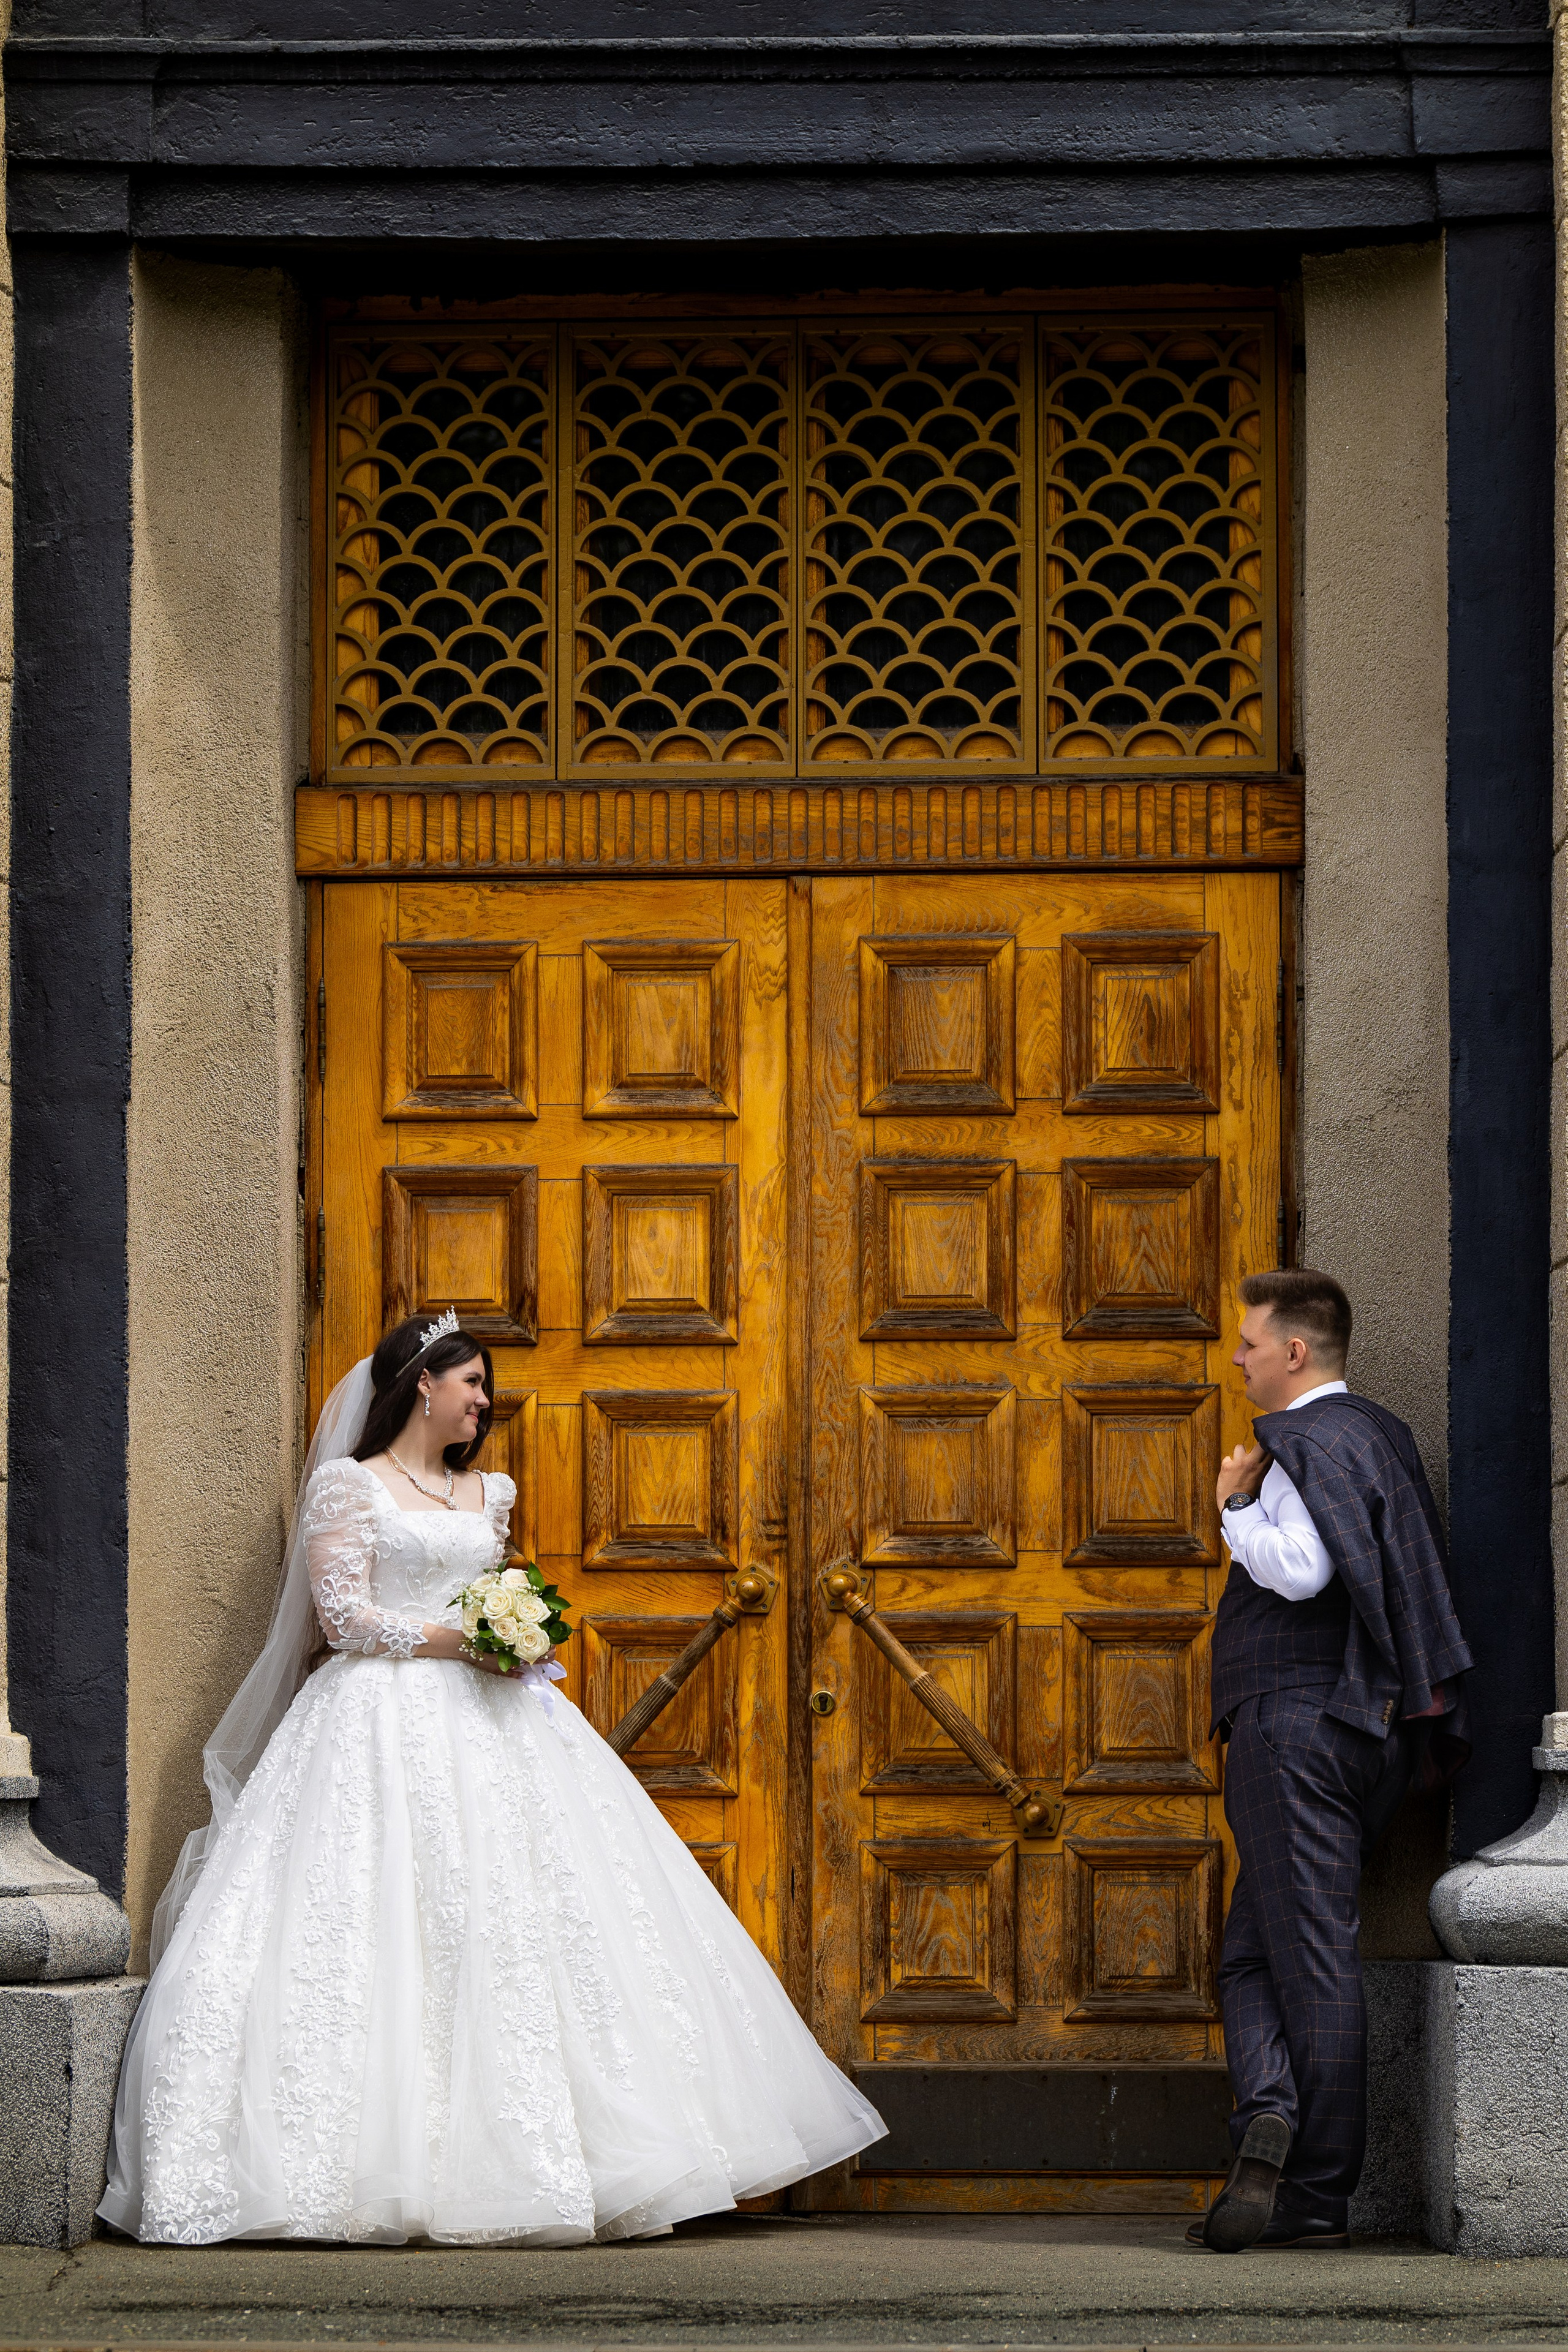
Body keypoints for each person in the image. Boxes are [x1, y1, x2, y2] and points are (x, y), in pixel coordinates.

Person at [101, 1313, 884, 2246]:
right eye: (470, 1382)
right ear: (422, 1384)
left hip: (504, 1726)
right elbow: (345, 1619)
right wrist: (466, 1640)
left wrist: (519, 1632)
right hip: (374, 1722)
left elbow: (501, 1591)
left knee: (532, 1917)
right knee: (372, 1918)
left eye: (486, 1387)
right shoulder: (350, 1488)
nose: (484, 1400)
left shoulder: (489, 1493)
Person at [1190, 1268, 1471, 2255]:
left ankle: (1312, 2191)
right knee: (1256, 1951)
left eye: (1250, 1342)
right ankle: (1269, 2115)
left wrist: (1234, 1506)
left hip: (1297, 1728)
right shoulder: (1382, 1436)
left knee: (1309, 1955)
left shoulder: (1306, 1442)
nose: (1239, 1357)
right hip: (1367, 1734)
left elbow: (1306, 1572)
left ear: (1295, 1352)